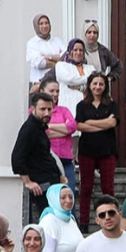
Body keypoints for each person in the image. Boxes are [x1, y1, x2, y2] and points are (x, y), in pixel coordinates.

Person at [74, 71, 118, 225]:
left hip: (107, 150)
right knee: (86, 187)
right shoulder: (82, 105)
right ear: (90, 86)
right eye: (95, 83)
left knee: (108, 188)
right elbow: (79, 125)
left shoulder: (112, 104)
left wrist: (90, 122)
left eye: (101, 84)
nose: (98, 87)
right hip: (87, 150)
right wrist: (103, 123)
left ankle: (111, 220)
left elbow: (112, 124)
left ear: (105, 86)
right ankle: (84, 222)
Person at [11, 90, 62, 225]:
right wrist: (28, 182)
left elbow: (45, 154)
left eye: (49, 109)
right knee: (48, 222)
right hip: (41, 186)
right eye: (42, 109)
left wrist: (60, 175)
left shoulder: (39, 127)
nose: (46, 113)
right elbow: (17, 157)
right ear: (33, 109)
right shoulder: (29, 129)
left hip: (51, 182)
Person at [43, 72, 80, 201]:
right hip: (47, 160)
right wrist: (63, 130)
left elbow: (72, 127)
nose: (55, 94)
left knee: (69, 194)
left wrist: (50, 126)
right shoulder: (35, 111)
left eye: (57, 91)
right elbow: (41, 132)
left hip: (65, 159)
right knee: (51, 196)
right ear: (42, 91)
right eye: (51, 91)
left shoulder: (63, 110)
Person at [37, 183, 83, 252]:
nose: (68, 201)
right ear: (54, 199)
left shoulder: (71, 219)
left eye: (71, 197)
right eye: (63, 197)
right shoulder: (49, 221)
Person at [25, 14, 63, 94]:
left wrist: (47, 57)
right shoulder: (32, 43)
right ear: (36, 26)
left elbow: (65, 58)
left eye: (46, 23)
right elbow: (39, 63)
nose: (45, 26)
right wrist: (57, 62)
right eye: (41, 24)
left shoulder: (57, 41)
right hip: (39, 86)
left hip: (56, 85)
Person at [79, 20, 123, 85]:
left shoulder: (103, 50)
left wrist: (109, 78)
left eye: (95, 32)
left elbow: (118, 65)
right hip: (82, 89)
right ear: (84, 33)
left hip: (99, 89)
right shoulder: (77, 49)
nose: (92, 35)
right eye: (89, 32)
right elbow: (63, 65)